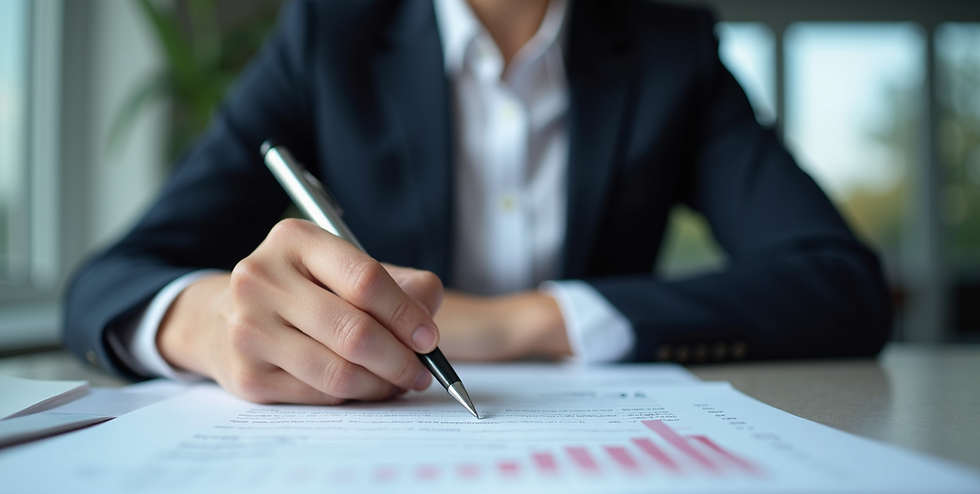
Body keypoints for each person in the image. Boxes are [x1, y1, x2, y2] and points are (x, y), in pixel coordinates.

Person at [64, 0, 892, 405]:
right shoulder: (329, 38)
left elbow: (841, 283)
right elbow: (112, 279)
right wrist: (212, 321)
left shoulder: (671, 50)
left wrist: (523, 321)